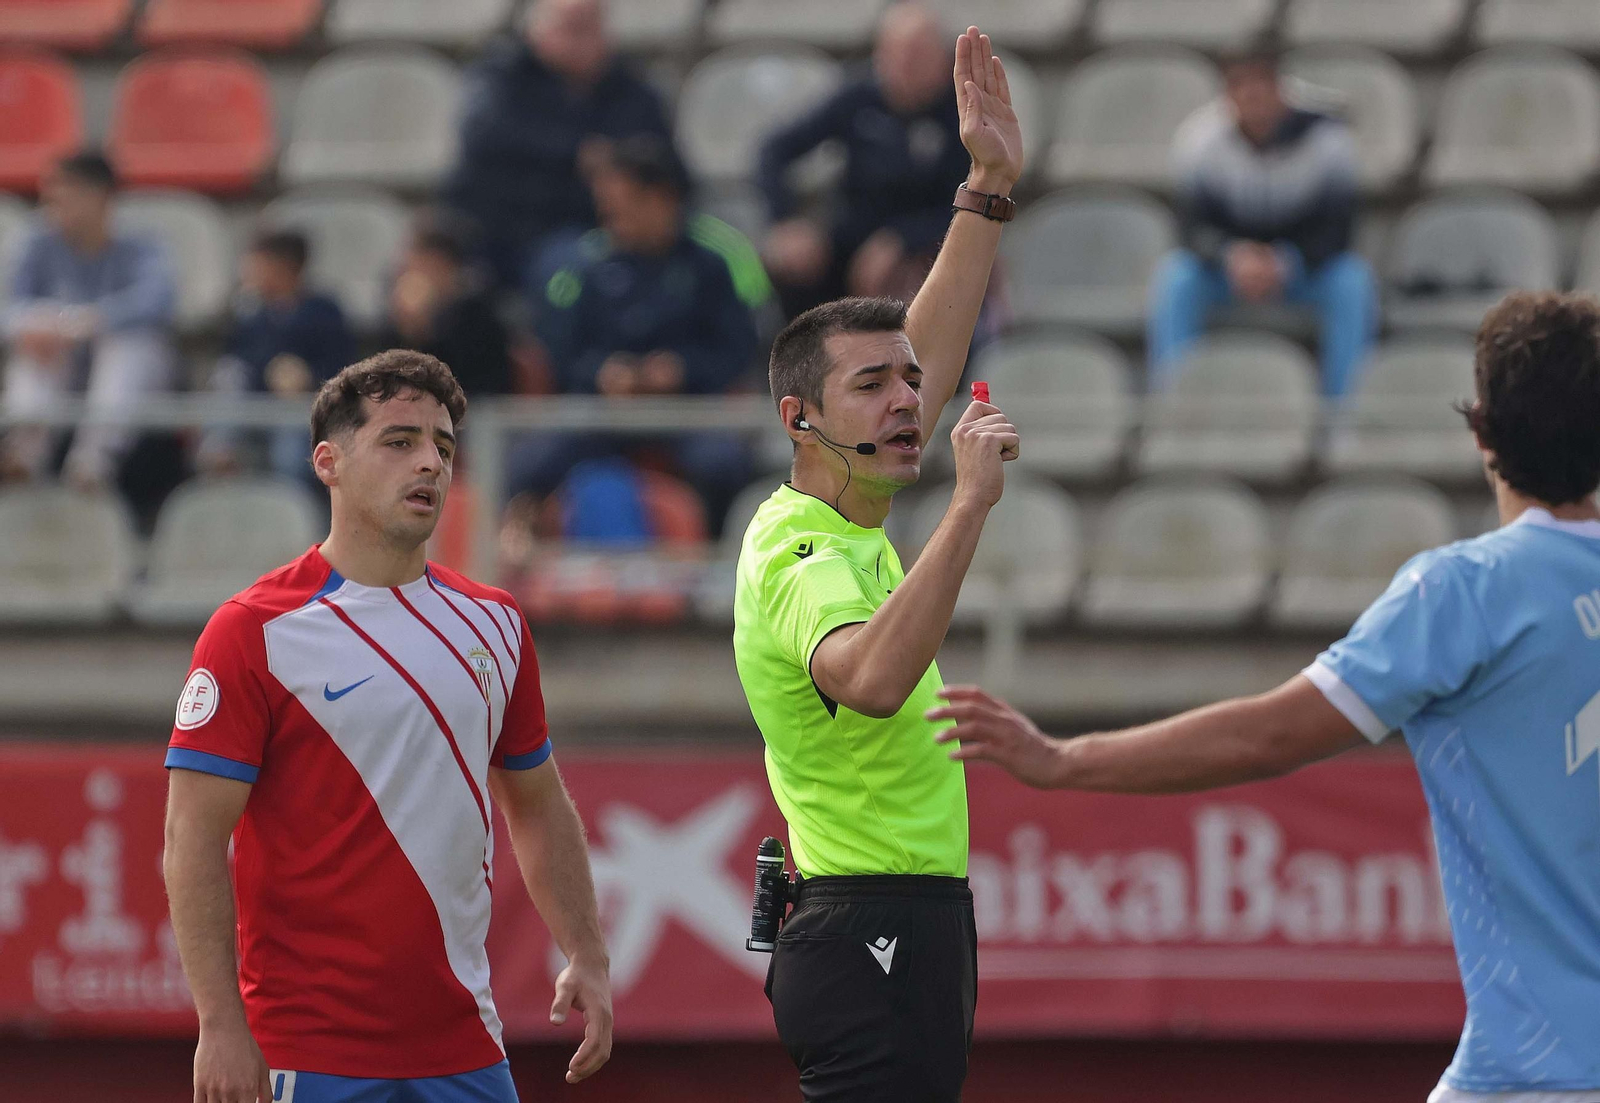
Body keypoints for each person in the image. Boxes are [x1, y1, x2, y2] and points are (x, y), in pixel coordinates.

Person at [932, 290, 1600, 1103]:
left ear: (1481, 432)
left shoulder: (1464, 592)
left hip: (1538, 1071)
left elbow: (1265, 736)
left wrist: (1063, 757)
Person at [163, 350, 613, 1103]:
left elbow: (537, 803)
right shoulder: (252, 630)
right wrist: (219, 1022)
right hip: (305, 1049)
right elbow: (192, 839)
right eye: (400, 441)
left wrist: (587, 952)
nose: (430, 462)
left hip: (468, 1046)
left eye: (443, 444)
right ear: (328, 462)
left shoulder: (497, 622)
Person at [734, 27, 1022, 1102]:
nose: (907, 400)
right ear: (798, 419)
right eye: (873, 388)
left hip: (902, 912)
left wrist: (985, 190)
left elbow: (929, 348)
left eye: (909, 386)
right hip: (866, 920)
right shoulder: (800, 545)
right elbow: (868, 677)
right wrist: (969, 507)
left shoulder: (848, 517)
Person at [515, 135, 760, 534]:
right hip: (606, 413)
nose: (612, 221)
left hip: (690, 413)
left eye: (622, 209)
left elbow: (737, 348)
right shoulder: (590, 267)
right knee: (531, 462)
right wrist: (603, 373)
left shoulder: (711, 265)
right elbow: (565, 351)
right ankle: (521, 550)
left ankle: (713, 570)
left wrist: (681, 370)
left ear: (660, 199)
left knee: (722, 465)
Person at [1147, 49, 1377, 397]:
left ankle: (1342, 413)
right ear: (1229, 95)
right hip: (1229, 271)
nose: (1254, 101)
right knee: (1176, 279)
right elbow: (1192, 229)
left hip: (1303, 269)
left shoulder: (1328, 140)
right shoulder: (1200, 143)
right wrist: (1231, 256)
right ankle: (1172, 402)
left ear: (1280, 90)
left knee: (1353, 282)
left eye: (1262, 88)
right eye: (1242, 88)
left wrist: (1287, 261)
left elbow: (1338, 229)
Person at [758, 2, 971, 317]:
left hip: (928, 246)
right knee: (792, 268)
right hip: (851, 238)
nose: (904, 64)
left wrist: (901, 239)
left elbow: (968, 204)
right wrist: (786, 221)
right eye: (895, 52)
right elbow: (773, 149)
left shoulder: (960, 116)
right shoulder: (857, 101)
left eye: (917, 53)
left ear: (943, 60)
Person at [444, 0, 671, 289]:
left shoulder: (633, 91)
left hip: (602, 237)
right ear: (537, 27)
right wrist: (576, 153)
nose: (579, 41)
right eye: (569, 27)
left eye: (589, 27)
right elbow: (484, 135)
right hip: (502, 238)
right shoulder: (501, 77)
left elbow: (662, 160)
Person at [2, 149, 176, 488]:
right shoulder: (33, 241)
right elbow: (8, 309)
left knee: (129, 344)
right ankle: (23, 456)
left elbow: (159, 301)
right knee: (37, 333)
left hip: (129, 371)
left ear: (100, 196)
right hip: (58, 359)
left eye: (66, 192)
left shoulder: (142, 242)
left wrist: (92, 322)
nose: (53, 202)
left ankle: (93, 462)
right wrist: (39, 325)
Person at [201, 228, 355, 482]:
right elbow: (236, 359)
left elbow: (342, 367)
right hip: (253, 403)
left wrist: (307, 378)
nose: (249, 273)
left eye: (258, 264)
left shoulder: (325, 311)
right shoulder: (248, 314)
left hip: (304, 408)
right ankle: (220, 452)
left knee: (291, 450)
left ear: (284, 266)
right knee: (230, 378)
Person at [378, 214, 514, 399]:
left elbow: (469, 383)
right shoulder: (397, 319)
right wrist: (411, 332)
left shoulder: (478, 317)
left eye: (426, 266)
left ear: (448, 268)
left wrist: (426, 332)